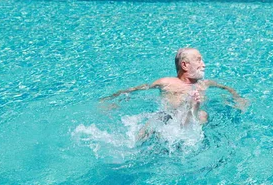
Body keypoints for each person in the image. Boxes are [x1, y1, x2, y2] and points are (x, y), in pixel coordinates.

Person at [100, 48, 248, 129]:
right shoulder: (167, 82)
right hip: (167, 118)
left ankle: (192, 112)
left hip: (188, 122)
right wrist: (111, 100)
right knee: (153, 121)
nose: (204, 64)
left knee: (203, 115)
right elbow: (136, 89)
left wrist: (238, 98)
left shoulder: (205, 83)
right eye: (199, 60)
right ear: (184, 65)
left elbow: (227, 88)